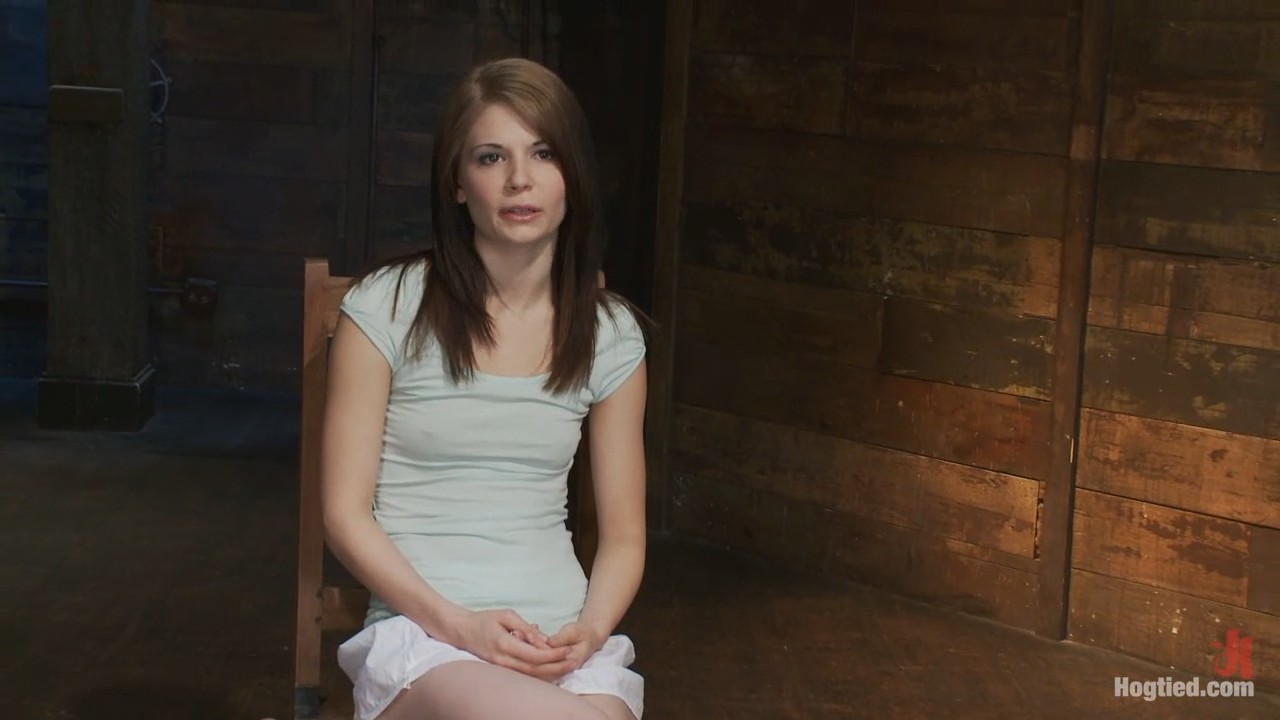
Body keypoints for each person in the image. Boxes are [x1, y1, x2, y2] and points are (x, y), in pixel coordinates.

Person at [319, 58, 649, 720]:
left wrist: (590, 630)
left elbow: (623, 537)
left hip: (560, 645)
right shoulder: (388, 307)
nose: (519, 178)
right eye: (491, 157)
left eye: (543, 153)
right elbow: (343, 515)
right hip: (428, 639)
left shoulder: (609, 334)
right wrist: (459, 626)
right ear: (458, 184)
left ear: (572, 176)